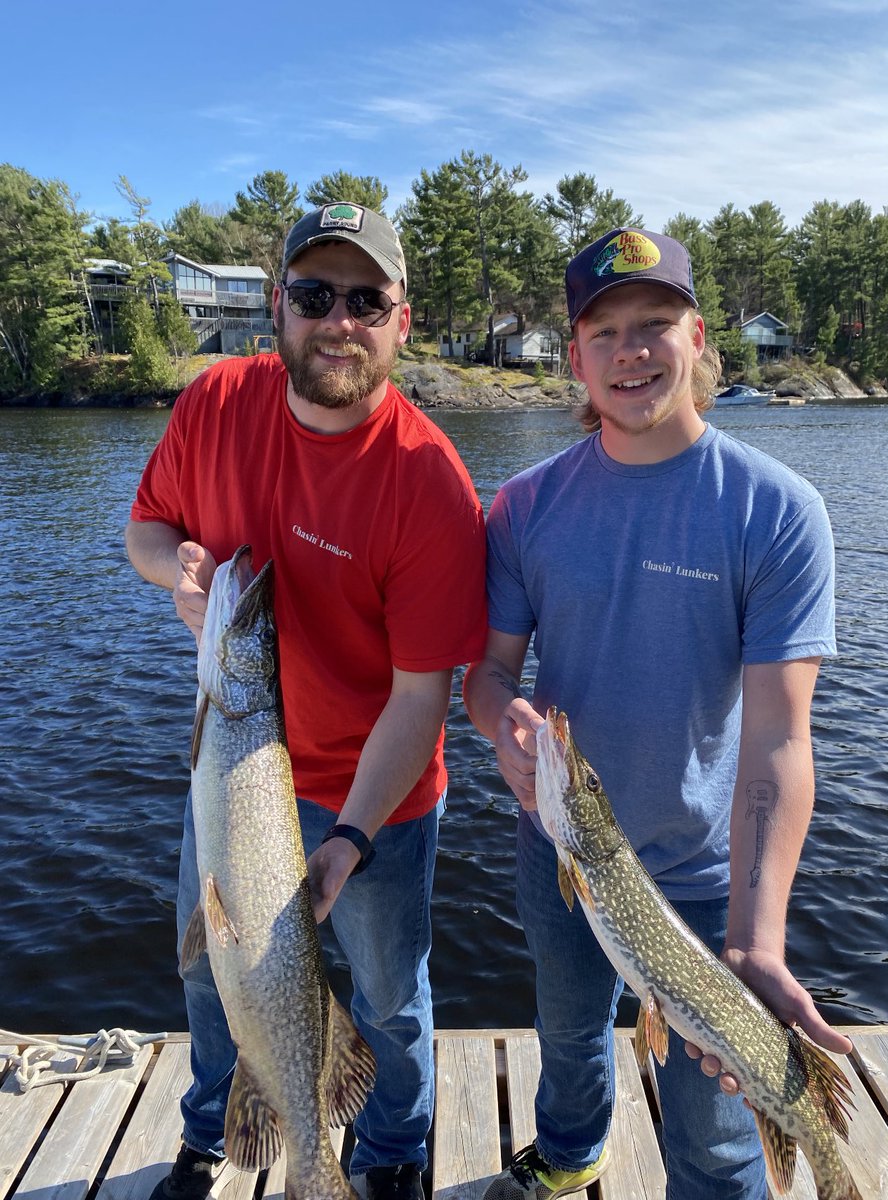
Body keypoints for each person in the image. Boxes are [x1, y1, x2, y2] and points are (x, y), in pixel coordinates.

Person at [463, 226, 850, 1200]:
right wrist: (500, 723)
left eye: (653, 324)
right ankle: (570, 1148)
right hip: (556, 846)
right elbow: (486, 674)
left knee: (718, 1146)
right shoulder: (519, 508)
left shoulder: (774, 509)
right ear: (574, 359)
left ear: (697, 336)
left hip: (699, 877)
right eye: (604, 333)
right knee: (566, 1033)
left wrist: (755, 939)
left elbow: (777, 739)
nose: (629, 352)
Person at [126, 202, 487, 1200]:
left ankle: (387, 1152)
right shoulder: (215, 402)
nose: (339, 319)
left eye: (364, 299)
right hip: (236, 783)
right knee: (209, 970)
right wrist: (182, 582)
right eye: (315, 295)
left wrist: (352, 838)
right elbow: (147, 530)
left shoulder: (428, 484)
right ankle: (215, 1132)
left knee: (385, 998)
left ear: (399, 322)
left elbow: (421, 701)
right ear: (277, 309)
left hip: (375, 791)